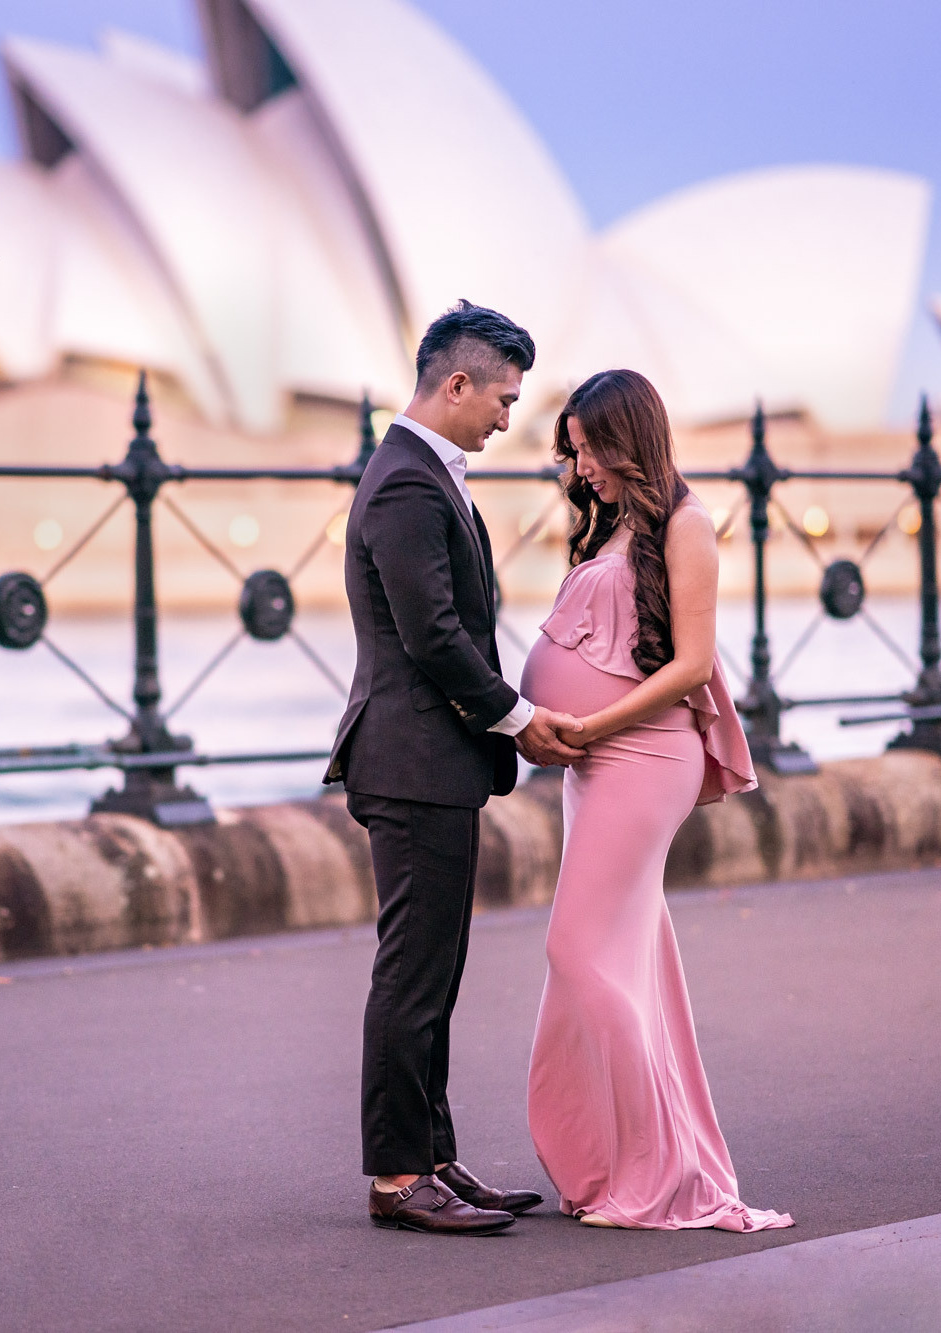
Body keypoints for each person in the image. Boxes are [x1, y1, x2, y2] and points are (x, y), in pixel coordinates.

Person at [325, 300, 585, 1235]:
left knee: (437, 968)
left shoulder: (429, 475)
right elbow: (431, 631)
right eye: (503, 398)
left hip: (433, 760)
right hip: (410, 758)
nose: (510, 418)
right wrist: (517, 720)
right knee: (413, 970)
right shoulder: (404, 483)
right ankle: (398, 1178)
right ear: (457, 382)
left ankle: (434, 1155)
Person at [522, 369, 794, 1232]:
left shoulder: (688, 524)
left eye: (590, 447)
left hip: (641, 756)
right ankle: (613, 1164)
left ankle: (662, 1173)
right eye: (571, 449)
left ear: (629, 437)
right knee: (631, 958)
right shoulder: (610, 526)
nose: (580, 465)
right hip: (594, 761)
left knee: (578, 949)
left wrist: (592, 721)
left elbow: (689, 665)